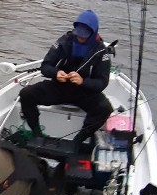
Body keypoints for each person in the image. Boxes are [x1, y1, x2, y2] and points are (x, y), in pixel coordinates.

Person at [18, 9, 113, 149]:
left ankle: (78, 140)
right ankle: (37, 133)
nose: (80, 38)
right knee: (26, 94)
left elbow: (102, 82)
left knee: (105, 109)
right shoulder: (64, 41)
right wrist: (56, 73)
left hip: (84, 92)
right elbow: (45, 66)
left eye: (84, 36)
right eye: (78, 34)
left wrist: (83, 81)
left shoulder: (101, 51)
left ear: (93, 33)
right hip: (59, 87)